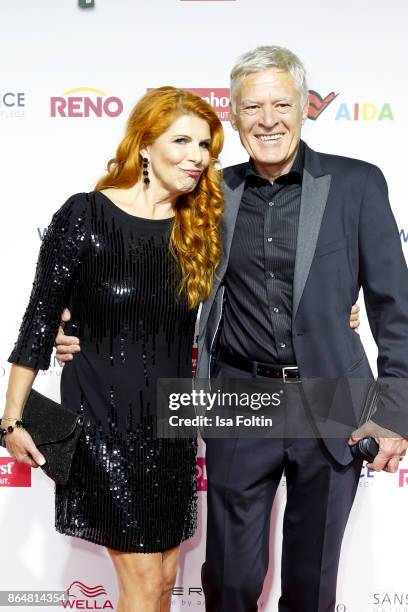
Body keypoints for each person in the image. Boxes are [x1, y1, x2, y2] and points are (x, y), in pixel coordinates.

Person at [194, 46, 408, 612]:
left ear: (304, 108)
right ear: (233, 117)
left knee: (313, 586)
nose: (268, 119)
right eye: (253, 107)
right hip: (241, 396)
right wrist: (77, 326)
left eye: (282, 103)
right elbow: (155, 280)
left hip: (334, 397)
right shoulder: (210, 193)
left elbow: (394, 308)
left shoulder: (357, 184)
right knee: (231, 581)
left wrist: (391, 410)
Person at [1, 86, 224, 612]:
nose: (197, 156)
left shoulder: (199, 229)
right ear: (144, 144)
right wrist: (11, 419)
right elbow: (38, 318)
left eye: (207, 145)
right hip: (104, 426)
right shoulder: (86, 215)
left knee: (166, 576)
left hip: (171, 427)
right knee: (145, 583)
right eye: (183, 141)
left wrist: (342, 310)